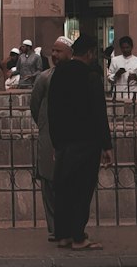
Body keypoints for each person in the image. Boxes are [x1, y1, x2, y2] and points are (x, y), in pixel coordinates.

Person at [47, 31, 113, 252]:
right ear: (91, 52)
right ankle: (79, 237)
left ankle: (63, 235)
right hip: (86, 142)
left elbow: (51, 111)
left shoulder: (58, 73)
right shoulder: (91, 76)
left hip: (64, 142)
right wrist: (106, 145)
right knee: (82, 191)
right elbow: (98, 113)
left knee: (64, 189)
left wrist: (56, 142)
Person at [29, 35, 73, 238]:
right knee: (49, 182)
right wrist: (46, 127)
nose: (54, 55)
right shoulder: (44, 78)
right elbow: (35, 106)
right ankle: (55, 229)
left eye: (59, 51)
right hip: (49, 138)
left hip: (71, 139)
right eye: (52, 51)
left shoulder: (77, 76)